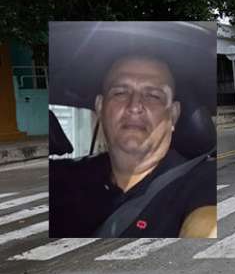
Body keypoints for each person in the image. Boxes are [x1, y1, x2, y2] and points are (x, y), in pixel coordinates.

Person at [50, 55, 217, 238]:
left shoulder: (202, 181)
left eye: (153, 96)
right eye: (120, 93)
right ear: (100, 107)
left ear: (174, 115)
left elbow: (206, 224)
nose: (135, 106)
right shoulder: (63, 178)